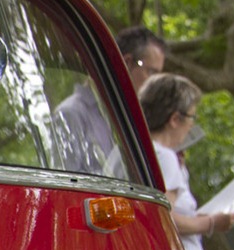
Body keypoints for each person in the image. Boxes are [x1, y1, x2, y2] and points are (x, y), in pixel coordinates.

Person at [139, 74, 234, 250]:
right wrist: (210, 223)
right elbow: (163, 218)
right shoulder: (165, 157)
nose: (192, 125)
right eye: (192, 117)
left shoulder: (129, 151)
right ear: (175, 119)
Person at [57, 27, 167, 174]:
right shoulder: (71, 112)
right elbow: (65, 179)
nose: (154, 83)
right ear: (127, 62)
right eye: (151, 72)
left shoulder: (130, 117)